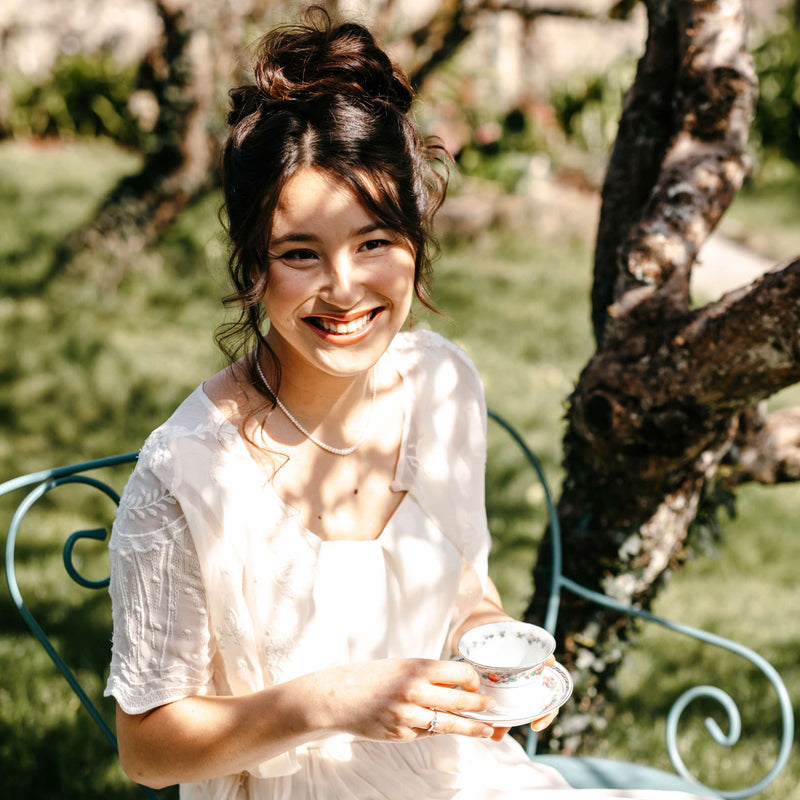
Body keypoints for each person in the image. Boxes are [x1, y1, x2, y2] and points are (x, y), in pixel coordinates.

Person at [104, 9, 716, 800]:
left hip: (468, 780)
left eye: (373, 243)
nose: (345, 288)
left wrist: (483, 649)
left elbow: (460, 580)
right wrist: (331, 702)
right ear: (253, 266)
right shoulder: (189, 472)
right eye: (300, 254)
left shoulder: (439, 385)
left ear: (416, 241)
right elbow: (147, 749)